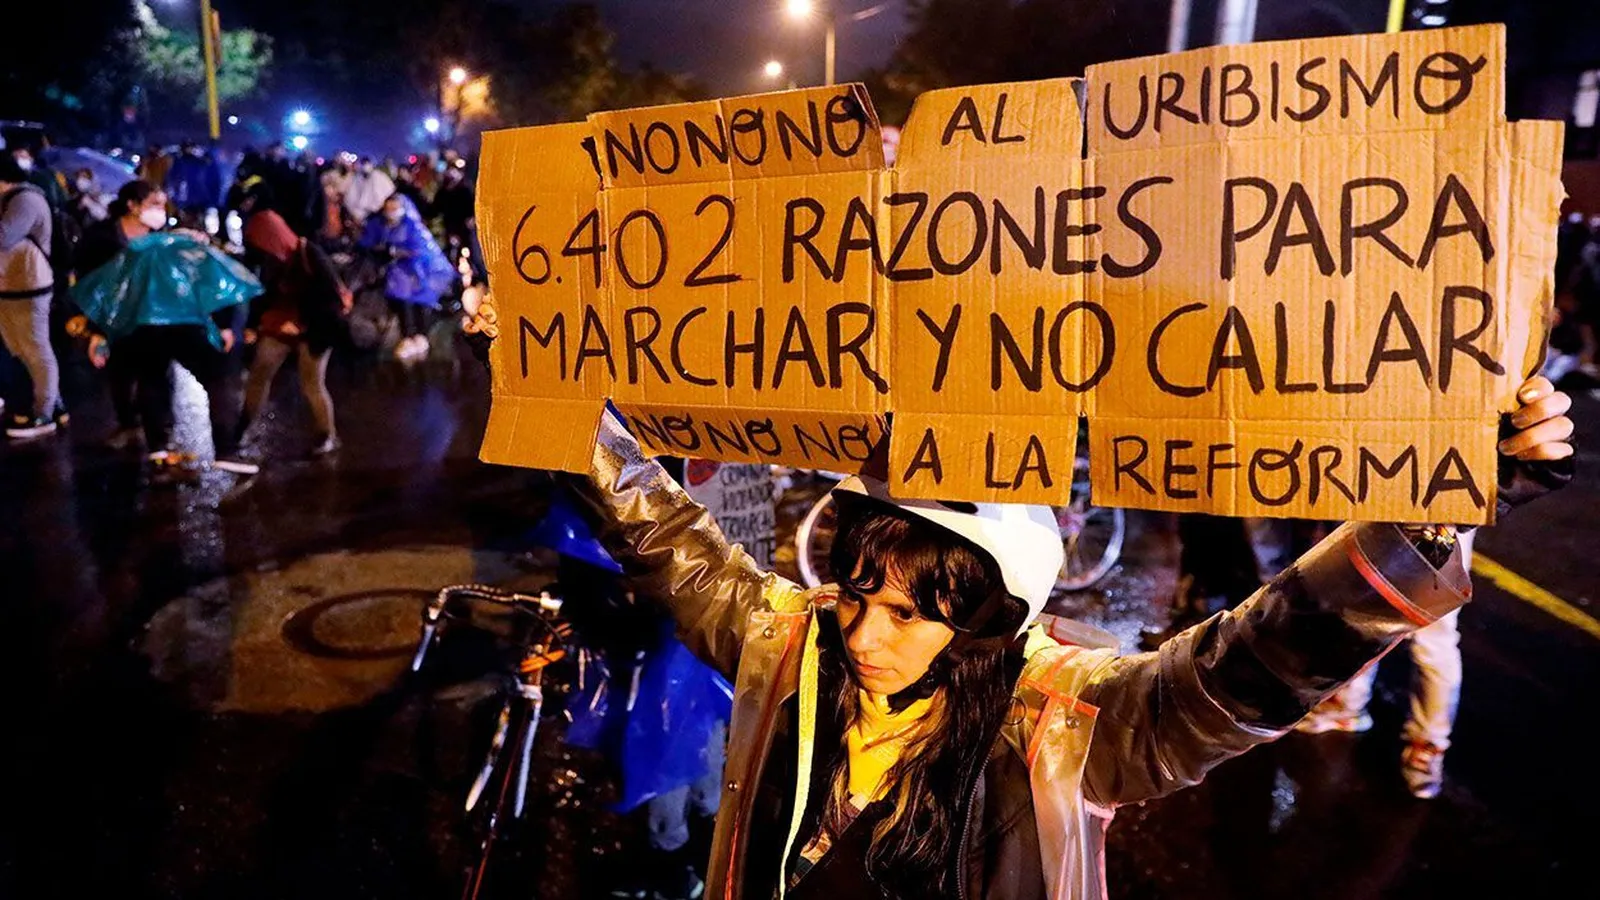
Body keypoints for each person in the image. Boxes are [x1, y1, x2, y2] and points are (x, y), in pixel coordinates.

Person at [557, 376, 1572, 899]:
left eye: (910, 613)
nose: (862, 635)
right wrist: (561, 411)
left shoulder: (1064, 721)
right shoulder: (795, 647)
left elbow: (1244, 668)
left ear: (988, 621)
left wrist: (1434, 512)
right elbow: (671, 545)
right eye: (857, 594)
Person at [73, 208, 263, 476]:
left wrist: (99, 332)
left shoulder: (140, 250)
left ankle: (158, 449)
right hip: (186, 325)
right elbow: (221, 286)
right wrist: (226, 326)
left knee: (152, 380)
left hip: (144, 327)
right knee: (218, 380)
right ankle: (225, 450)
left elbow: (116, 291)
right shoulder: (194, 251)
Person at [1294, 528, 1478, 799]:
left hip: (1447, 517)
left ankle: (1427, 746)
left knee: (1433, 635)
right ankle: (1347, 705)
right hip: (1393, 510)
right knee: (1367, 602)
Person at [240, 207, 349, 457]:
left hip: (316, 328)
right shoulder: (271, 259)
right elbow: (264, 294)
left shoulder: (310, 254)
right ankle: (243, 426)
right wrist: (253, 325)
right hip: (282, 322)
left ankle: (327, 435)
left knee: (312, 383)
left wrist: (304, 324)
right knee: (259, 373)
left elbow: (332, 300)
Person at [74, 180, 175, 449]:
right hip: (115, 320)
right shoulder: (100, 239)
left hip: (154, 319)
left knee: (156, 376)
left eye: (162, 205)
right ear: (132, 205)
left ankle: (159, 436)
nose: (160, 211)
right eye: (154, 204)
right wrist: (96, 329)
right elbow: (90, 284)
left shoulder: (161, 238)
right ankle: (128, 424)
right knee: (120, 375)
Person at [0, 155, 64, 438]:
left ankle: (44, 414)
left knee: (36, 350)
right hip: (9, 285)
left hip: (29, 284)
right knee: (19, 349)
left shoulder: (25, 200)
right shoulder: (10, 199)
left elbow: (4, 236)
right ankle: (54, 405)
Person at [358, 193, 454, 361]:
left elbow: (419, 249)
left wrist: (399, 253)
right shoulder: (381, 225)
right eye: (388, 208)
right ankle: (408, 336)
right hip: (398, 273)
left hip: (418, 271)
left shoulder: (412, 226)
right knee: (402, 303)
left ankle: (419, 336)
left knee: (417, 303)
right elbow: (368, 242)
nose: (391, 212)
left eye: (394, 208)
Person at [343, 157, 394, 227]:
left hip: (378, 212)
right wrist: (355, 213)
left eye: (367, 163)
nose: (365, 166)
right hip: (360, 213)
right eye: (363, 163)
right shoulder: (357, 178)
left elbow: (389, 191)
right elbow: (350, 197)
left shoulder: (379, 176)